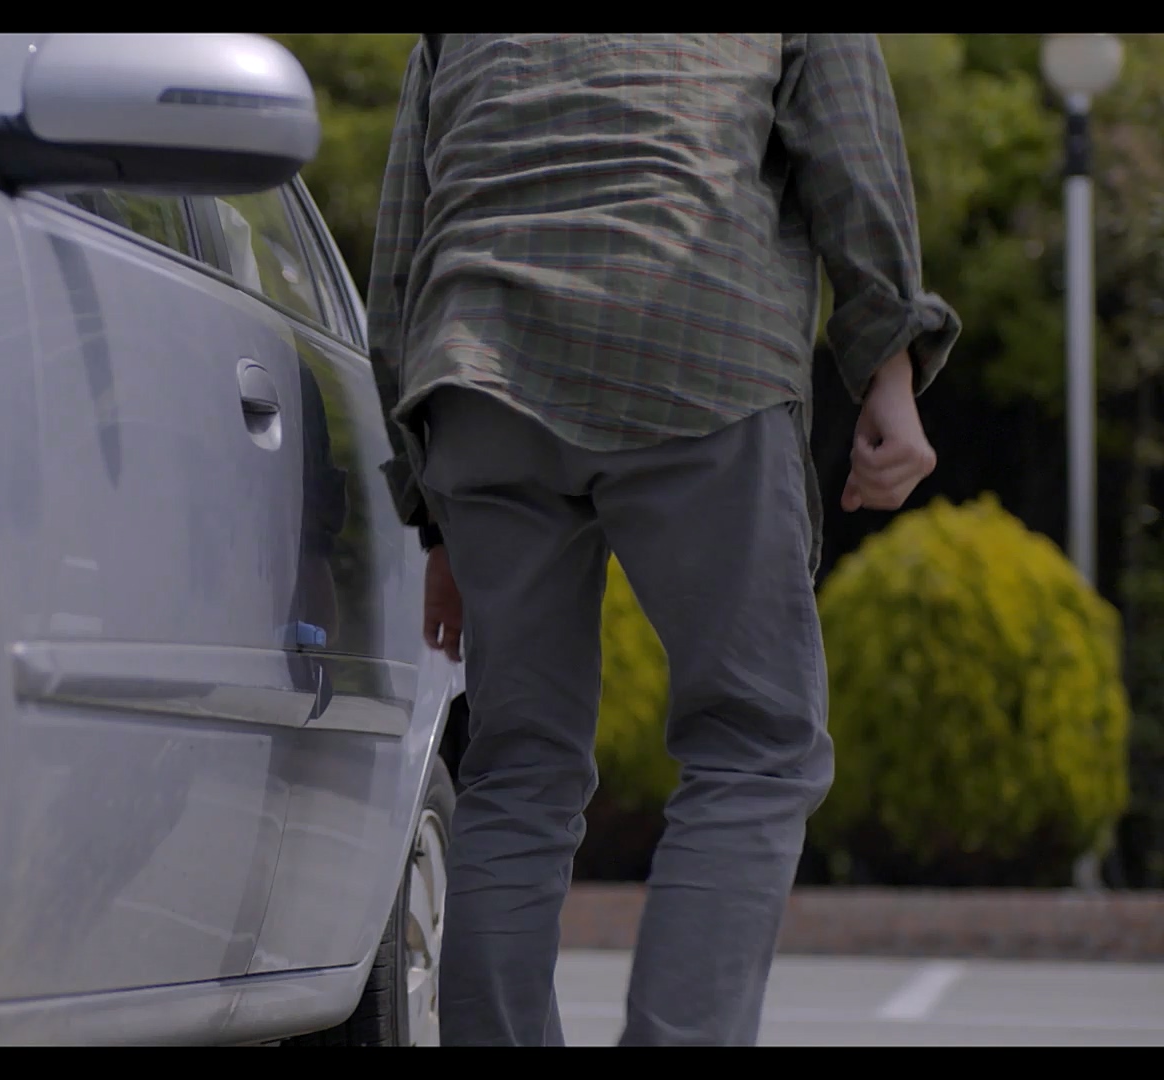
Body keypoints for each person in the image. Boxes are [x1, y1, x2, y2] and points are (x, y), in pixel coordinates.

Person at [366, 34, 960, 1046]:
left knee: (517, 769)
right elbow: (851, 149)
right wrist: (889, 368)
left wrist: (435, 509)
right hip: (696, 339)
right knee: (753, 747)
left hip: (481, 364)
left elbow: (402, 242)